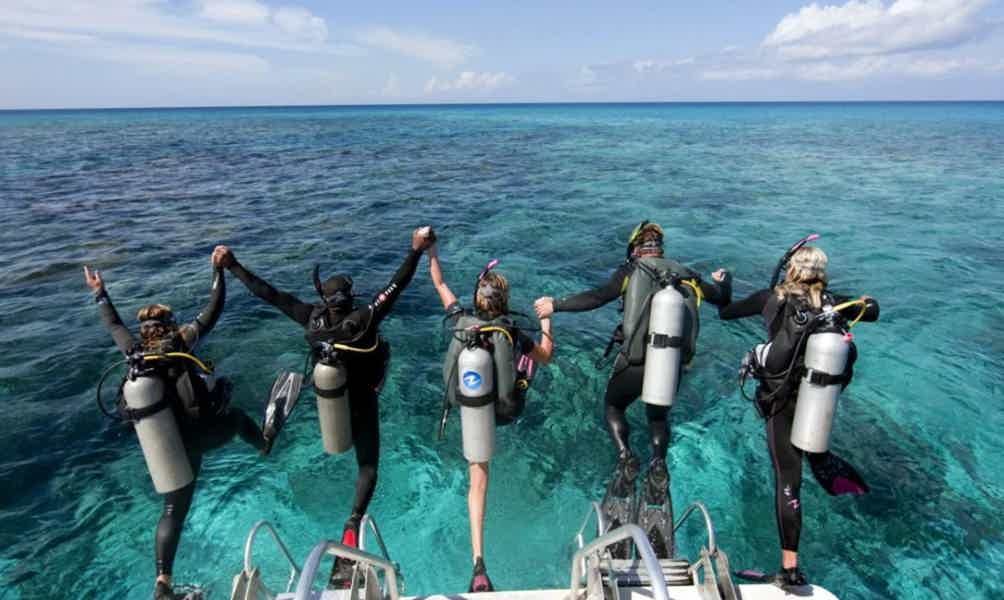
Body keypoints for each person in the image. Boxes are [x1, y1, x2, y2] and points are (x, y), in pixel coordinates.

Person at [212, 226, 435, 587]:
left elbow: (269, 293)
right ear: (349, 297)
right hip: (363, 402)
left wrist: (232, 264)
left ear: (325, 299)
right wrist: (415, 250)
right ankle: (352, 524)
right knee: (368, 468)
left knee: (306, 393)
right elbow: (398, 283)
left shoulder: (310, 317)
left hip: (329, 407)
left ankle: (266, 437)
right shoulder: (365, 317)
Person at [533, 221, 730, 558]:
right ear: (661, 248)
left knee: (614, 407)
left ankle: (626, 455)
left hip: (634, 364)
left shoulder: (629, 270)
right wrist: (723, 282)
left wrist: (557, 305)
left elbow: (597, 297)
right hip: (668, 365)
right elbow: (722, 301)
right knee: (658, 417)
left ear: (636, 248)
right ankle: (657, 464)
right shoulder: (687, 276)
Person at [84, 247, 266, 600]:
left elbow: (114, 325)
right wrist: (219, 273)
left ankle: (162, 584)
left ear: (144, 332)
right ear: (168, 327)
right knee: (239, 418)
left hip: (167, 445)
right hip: (199, 435)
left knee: (172, 510)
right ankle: (265, 445)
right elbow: (213, 310)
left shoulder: (134, 354)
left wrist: (100, 293)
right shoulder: (182, 340)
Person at [716, 243, 879, 588]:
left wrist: (724, 283)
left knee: (787, 481)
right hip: (817, 396)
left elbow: (726, 312)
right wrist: (865, 301)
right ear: (821, 272)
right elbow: (874, 310)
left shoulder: (771, 297)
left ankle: (790, 570)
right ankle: (823, 461)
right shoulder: (835, 304)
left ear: (792, 269)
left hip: (781, 401)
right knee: (808, 454)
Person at [428, 240, 553, 593]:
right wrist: (546, 323)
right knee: (529, 363)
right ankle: (515, 374)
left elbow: (439, 283)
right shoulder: (512, 330)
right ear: (504, 301)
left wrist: (431, 253)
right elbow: (547, 354)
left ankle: (478, 563)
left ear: (477, 298)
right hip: (506, 410)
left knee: (478, 482)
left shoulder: (459, 319)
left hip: (472, 411)